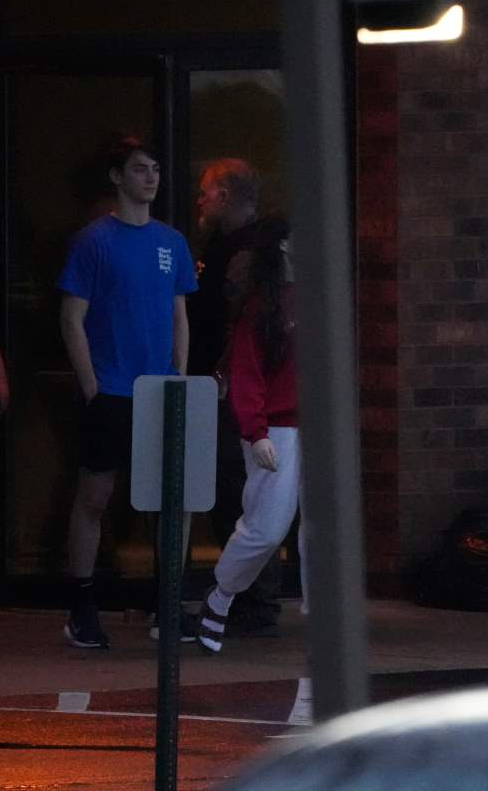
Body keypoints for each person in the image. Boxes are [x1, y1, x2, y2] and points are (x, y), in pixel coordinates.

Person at [59, 135, 198, 648]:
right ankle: (82, 605)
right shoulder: (94, 241)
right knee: (96, 495)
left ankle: (167, 604)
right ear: (117, 176)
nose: (152, 177)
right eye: (140, 169)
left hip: (163, 388)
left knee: (175, 500)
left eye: (156, 169)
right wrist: (91, 384)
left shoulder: (172, 242)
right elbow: (72, 318)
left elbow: (180, 313)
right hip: (113, 389)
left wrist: (180, 374)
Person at [198, 234, 306, 654]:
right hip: (276, 427)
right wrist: (256, 431)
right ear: (283, 245)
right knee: (266, 528)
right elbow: (246, 373)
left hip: (313, 425)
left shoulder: (318, 298)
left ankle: (325, 619)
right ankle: (221, 596)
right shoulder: (263, 306)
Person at [193, 158, 289, 633]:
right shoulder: (230, 245)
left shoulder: (249, 254)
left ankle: (248, 601)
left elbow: (240, 324)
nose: (200, 201)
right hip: (233, 386)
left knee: (244, 495)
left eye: (206, 192)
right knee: (243, 494)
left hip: (238, 388)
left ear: (226, 196)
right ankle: (245, 599)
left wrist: (226, 374)